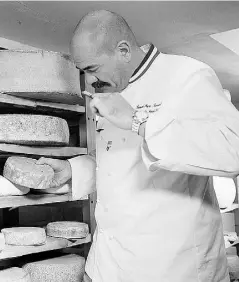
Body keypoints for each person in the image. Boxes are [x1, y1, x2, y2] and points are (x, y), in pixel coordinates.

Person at [37, 10, 239, 282]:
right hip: (110, 263)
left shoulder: (187, 76)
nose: (88, 80)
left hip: (173, 265)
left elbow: (232, 150)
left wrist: (137, 121)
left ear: (123, 50)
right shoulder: (110, 89)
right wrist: (73, 170)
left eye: (92, 69)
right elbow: (118, 164)